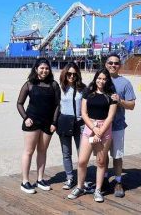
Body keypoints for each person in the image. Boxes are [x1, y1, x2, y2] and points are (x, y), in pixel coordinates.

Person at [68, 68, 117, 203]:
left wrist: (100, 131)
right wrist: (94, 128)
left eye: (104, 79)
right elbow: (83, 113)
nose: (101, 81)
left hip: (105, 129)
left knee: (101, 162)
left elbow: (110, 116)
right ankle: (79, 187)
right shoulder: (88, 92)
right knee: (82, 161)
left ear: (107, 80)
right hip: (90, 127)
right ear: (95, 78)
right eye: (99, 78)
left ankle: (98, 190)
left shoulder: (111, 94)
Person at [17, 58, 60, 194]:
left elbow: (58, 105)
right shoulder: (29, 84)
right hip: (32, 121)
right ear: (36, 69)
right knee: (29, 151)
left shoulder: (53, 85)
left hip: (48, 123)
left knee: (42, 150)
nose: (44, 70)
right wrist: (26, 118)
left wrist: (54, 122)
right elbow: (19, 103)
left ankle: (40, 179)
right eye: (41, 68)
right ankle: (25, 181)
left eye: (46, 68)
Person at [104, 53, 136, 197]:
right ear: (106, 64)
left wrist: (120, 101)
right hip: (101, 125)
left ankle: (118, 182)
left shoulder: (125, 83)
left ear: (119, 66)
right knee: (102, 156)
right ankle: (103, 179)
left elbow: (132, 105)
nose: (113, 65)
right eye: (110, 63)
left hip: (117, 125)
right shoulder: (100, 79)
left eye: (116, 63)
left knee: (117, 156)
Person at [57, 62, 86, 190]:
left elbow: (89, 106)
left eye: (74, 74)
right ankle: (69, 178)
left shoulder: (83, 89)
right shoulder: (60, 88)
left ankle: (82, 179)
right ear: (65, 74)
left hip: (79, 124)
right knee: (66, 153)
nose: (72, 76)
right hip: (64, 123)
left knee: (82, 154)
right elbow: (55, 107)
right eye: (69, 74)